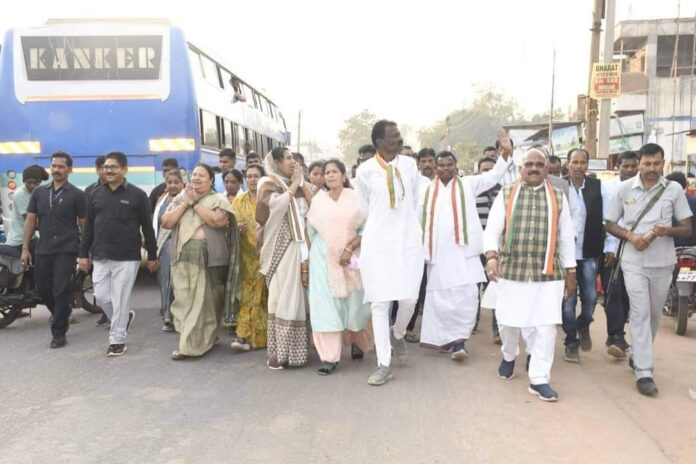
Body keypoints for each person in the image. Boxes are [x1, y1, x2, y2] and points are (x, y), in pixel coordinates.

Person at [483, 148, 577, 402]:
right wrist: (491, 257)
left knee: (546, 326)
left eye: (539, 164)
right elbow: (492, 230)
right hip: (511, 271)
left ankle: (539, 379)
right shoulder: (506, 194)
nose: (534, 168)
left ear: (547, 169)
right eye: (529, 164)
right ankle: (509, 355)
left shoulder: (558, 197)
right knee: (508, 322)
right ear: (521, 168)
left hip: (548, 273)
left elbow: (567, 238)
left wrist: (571, 272)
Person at [605, 143, 692, 396]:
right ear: (639, 164)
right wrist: (631, 236)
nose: (651, 168)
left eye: (656, 164)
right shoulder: (624, 189)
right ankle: (644, 372)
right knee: (640, 313)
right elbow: (609, 223)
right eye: (647, 164)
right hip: (633, 262)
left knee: (654, 315)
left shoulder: (673, 190)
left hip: (663, 262)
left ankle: (638, 353)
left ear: (663, 164)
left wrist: (667, 231)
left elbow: (686, 228)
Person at [419, 140, 511, 361]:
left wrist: (505, 154)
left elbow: (492, 176)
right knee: (440, 301)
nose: (445, 169)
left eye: (449, 165)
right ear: (436, 168)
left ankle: (459, 342)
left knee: (466, 298)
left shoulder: (468, 184)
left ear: (456, 167)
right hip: (438, 257)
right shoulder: (424, 190)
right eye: (441, 165)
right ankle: (445, 339)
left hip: (464, 254)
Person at [354, 120, 424, 386]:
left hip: (408, 242)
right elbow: (365, 207)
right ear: (380, 142)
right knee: (380, 303)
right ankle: (383, 364)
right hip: (378, 245)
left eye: (399, 134)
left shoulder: (410, 165)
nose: (400, 139)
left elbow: (413, 200)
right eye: (394, 136)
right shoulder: (365, 171)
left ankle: (398, 333)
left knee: (409, 300)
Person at [79, 152, 158, 357]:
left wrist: (152, 255)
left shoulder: (137, 195)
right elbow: (88, 228)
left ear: (124, 169)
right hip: (100, 254)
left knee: (120, 298)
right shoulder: (95, 194)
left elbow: (147, 227)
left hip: (127, 256)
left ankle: (117, 340)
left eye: (113, 167)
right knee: (101, 296)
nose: (109, 170)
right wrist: (83, 254)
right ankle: (124, 318)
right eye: (106, 167)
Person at [160, 163, 238, 360]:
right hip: (182, 258)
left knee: (204, 303)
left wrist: (195, 204)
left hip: (208, 258)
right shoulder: (181, 198)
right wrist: (185, 203)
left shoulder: (218, 199)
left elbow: (217, 221)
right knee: (184, 302)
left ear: (211, 180)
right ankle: (205, 338)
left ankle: (189, 347)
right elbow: (167, 222)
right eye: (194, 174)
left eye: (201, 175)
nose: (196, 178)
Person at [306, 159, 374, 375]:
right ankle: (329, 357)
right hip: (322, 259)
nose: (330, 175)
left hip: (351, 257)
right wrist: (310, 261)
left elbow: (366, 229)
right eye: (327, 172)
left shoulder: (356, 199)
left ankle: (356, 340)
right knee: (325, 307)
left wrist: (349, 248)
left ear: (343, 175)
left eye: (334, 171)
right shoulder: (318, 200)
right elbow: (310, 232)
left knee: (354, 305)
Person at [22, 152, 87, 349]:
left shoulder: (77, 195)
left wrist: (84, 252)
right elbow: (30, 221)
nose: (56, 170)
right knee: (42, 288)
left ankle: (58, 333)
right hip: (44, 248)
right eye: (54, 166)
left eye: (61, 166)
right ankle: (63, 312)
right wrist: (25, 248)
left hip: (67, 249)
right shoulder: (39, 193)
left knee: (60, 289)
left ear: (69, 169)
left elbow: (84, 225)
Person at [257, 146, 314, 369]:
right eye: (288, 158)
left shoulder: (299, 184)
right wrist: (293, 186)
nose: (293, 162)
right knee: (281, 296)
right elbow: (274, 207)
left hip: (302, 246)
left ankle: (296, 352)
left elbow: (316, 205)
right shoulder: (267, 182)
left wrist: (301, 183)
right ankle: (279, 352)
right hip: (279, 248)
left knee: (297, 296)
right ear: (277, 162)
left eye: (293, 158)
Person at [561, 148, 611, 363]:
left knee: (590, 297)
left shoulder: (598, 187)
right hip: (565, 254)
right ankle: (571, 342)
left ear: (587, 165)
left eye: (583, 162)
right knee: (568, 300)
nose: (578, 166)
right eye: (575, 162)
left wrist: (609, 246)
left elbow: (607, 219)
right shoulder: (559, 186)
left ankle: (583, 323)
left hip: (589, 252)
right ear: (568, 164)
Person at [602, 150, 639, 357]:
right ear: (618, 167)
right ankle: (616, 336)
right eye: (626, 166)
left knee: (628, 295)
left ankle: (618, 334)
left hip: (638, 250)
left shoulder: (646, 189)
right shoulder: (608, 188)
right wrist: (610, 247)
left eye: (634, 166)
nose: (630, 170)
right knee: (614, 292)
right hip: (613, 250)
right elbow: (606, 221)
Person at [230, 164, 268, 351]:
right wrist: (237, 227)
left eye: (256, 176)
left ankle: (260, 338)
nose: (252, 179)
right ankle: (243, 335)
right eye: (250, 176)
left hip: (267, 255)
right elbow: (229, 223)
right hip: (246, 257)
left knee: (263, 296)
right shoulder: (239, 200)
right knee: (248, 295)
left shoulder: (269, 199)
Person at [475, 156, 502, 343]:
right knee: (474, 289)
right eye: (484, 169)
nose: (488, 173)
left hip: (496, 251)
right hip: (476, 250)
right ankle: (472, 323)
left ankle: (497, 330)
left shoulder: (504, 192)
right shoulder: (472, 192)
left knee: (496, 288)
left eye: (491, 169)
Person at [153, 170, 184, 332]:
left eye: (176, 182)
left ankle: (177, 316)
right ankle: (167, 313)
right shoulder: (162, 200)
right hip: (164, 245)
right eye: (169, 182)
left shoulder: (186, 199)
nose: (172, 185)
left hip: (181, 244)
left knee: (178, 282)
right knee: (165, 279)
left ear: (183, 183)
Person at [4, 165, 47, 250]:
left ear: (40, 182)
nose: (32, 185)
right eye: (29, 182)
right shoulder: (21, 195)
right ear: (24, 181)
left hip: (30, 238)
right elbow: (31, 222)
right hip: (19, 242)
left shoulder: (37, 192)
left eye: (35, 183)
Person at [665, 171, 696, 247]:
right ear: (685, 185)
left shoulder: (665, 204)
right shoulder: (694, 201)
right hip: (692, 248)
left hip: (672, 248)